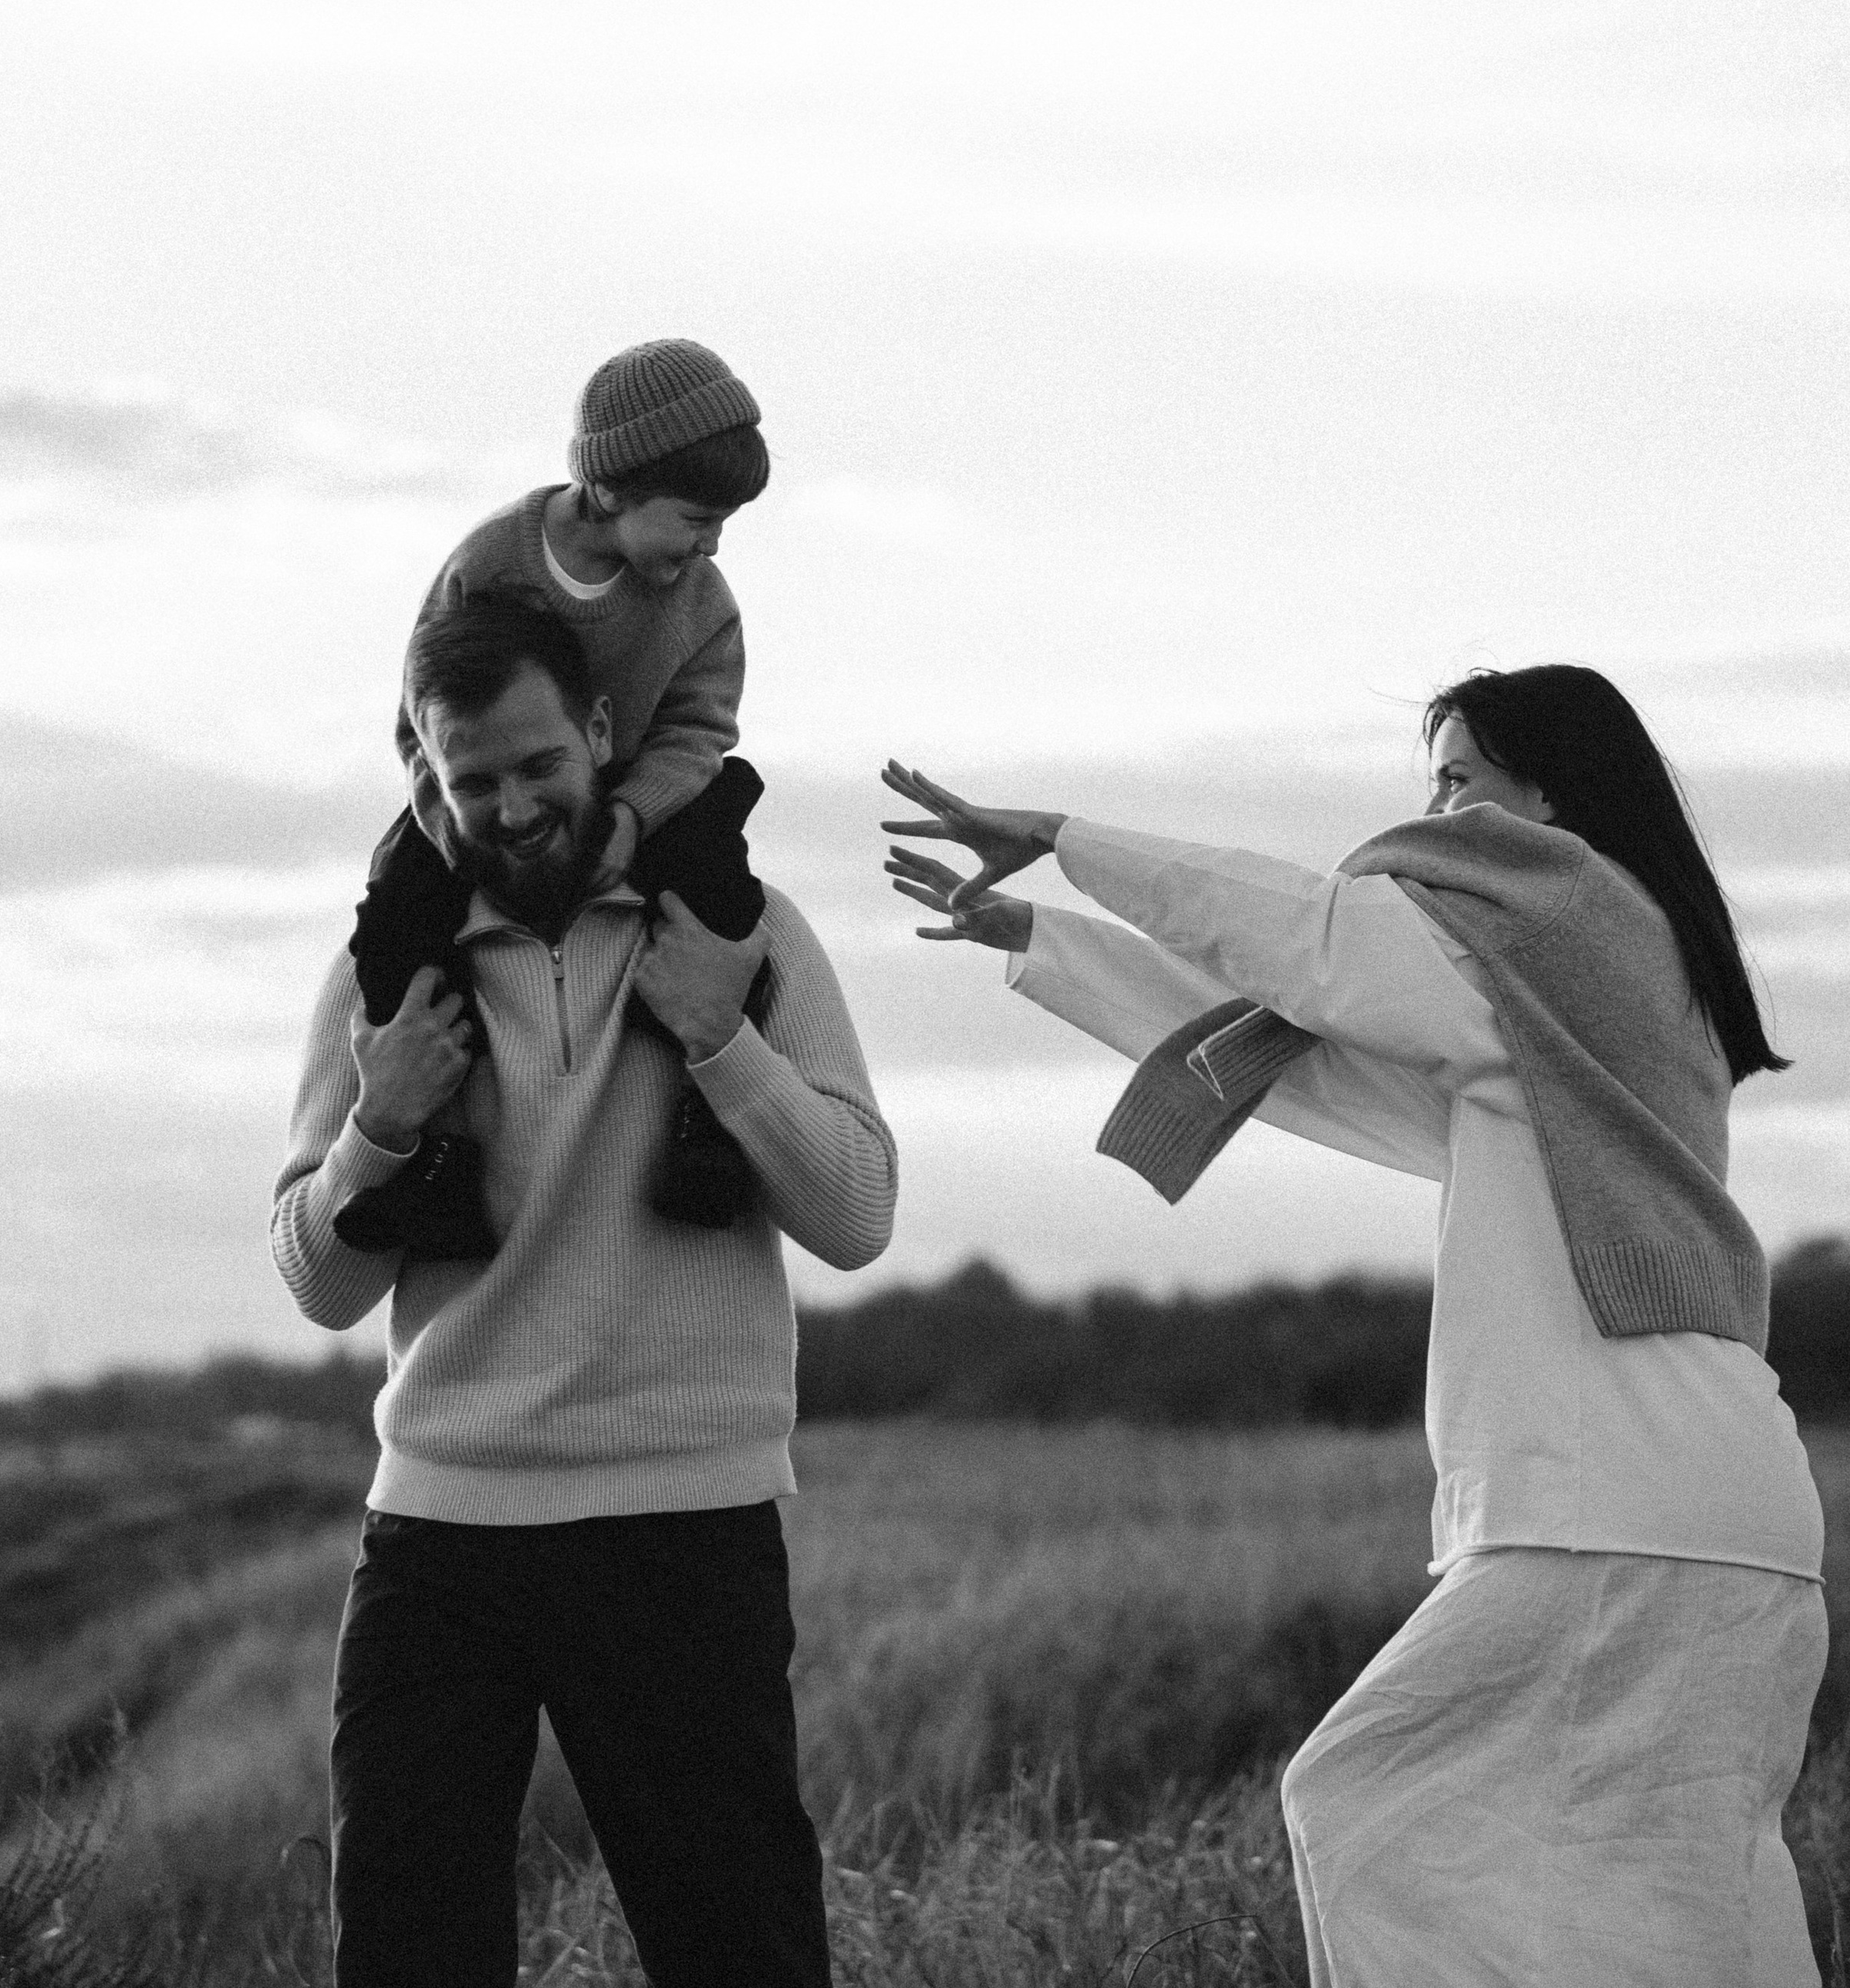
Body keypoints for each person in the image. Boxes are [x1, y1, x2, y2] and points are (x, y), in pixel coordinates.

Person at [881, 664, 1825, 1988]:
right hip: (1730, 1519)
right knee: (1675, 1890)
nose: (1434, 815)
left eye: (1457, 780)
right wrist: (1043, 939)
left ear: (1545, 799)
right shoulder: (1606, 995)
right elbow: (1310, 1056)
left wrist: (1065, 839)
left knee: (1364, 1802)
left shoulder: (1564, 917)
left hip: (1609, 1506)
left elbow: (1318, 943)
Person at [275, 594, 896, 1988]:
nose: (511, 806)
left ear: (602, 734)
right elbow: (315, 1281)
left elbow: (856, 1214)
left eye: (538, 765)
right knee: (404, 1955)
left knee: (741, 1954)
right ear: (426, 773)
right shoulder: (387, 973)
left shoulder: (745, 932)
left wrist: (720, 1038)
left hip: (683, 1526)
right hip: (440, 1535)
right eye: (470, 780)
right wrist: (380, 1126)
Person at [339, 336, 775, 1261]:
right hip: (491, 794)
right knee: (399, 914)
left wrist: (630, 814)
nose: (709, 543)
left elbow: (700, 727)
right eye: (696, 517)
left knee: (723, 891)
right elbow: (426, 713)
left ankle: (709, 1126)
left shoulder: (704, 603)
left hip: (648, 787)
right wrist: (455, 836)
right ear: (613, 487)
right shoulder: (490, 564)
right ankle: (440, 1156)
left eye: (724, 526)